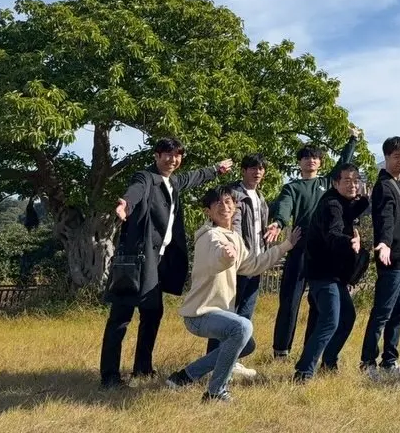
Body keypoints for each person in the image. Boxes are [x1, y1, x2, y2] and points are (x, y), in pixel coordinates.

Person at [99, 138, 232, 389]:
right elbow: (135, 191)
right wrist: (125, 204)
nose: (173, 160)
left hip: (157, 263)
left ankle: (143, 368)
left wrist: (216, 169)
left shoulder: (173, 182)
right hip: (136, 261)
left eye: (177, 155)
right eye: (167, 155)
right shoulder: (145, 177)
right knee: (121, 316)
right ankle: (109, 376)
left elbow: (194, 176)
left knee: (152, 313)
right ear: (157, 156)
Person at [166, 187, 301, 403]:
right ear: (207, 212)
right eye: (217, 203)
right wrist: (225, 257)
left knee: (246, 344)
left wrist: (285, 245)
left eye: (228, 202)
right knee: (242, 327)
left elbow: (253, 265)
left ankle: (184, 376)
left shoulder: (234, 238)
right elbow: (216, 258)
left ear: (236, 207)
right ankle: (215, 392)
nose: (224, 206)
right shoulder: (209, 236)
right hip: (199, 314)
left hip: (217, 313)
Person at [270, 127, 360, 359]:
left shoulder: (327, 183)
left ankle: (311, 347)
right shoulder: (292, 187)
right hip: (300, 248)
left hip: (324, 252)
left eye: (315, 158)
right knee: (290, 300)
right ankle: (281, 350)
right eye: (306, 157)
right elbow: (284, 206)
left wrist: (352, 140)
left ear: (320, 163)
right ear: (299, 163)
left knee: (319, 304)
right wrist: (279, 223)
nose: (311, 161)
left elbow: (344, 162)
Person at [203, 153, 282, 378]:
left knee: (245, 314)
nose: (257, 172)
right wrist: (237, 250)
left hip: (255, 262)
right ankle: (213, 362)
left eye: (260, 169)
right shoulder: (233, 195)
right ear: (243, 171)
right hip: (238, 263)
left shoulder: (260, 197)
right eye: (252, 168)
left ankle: (232, 360)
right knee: (226, 314)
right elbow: (233, 225)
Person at [294, 162, 371, 381]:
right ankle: (304, 371)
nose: (353, 185)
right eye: (347, 180)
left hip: (332, 275)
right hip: (323, 274)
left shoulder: (339, 202)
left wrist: (365, 201)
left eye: (356, 180)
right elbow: (333, 233)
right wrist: (352, 243)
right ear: (336, 182)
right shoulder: (332, 206)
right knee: (330, 320)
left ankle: (328, 362)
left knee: (346, 317)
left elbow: (348, 213)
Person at [360, 135, 400, 379]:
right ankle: (367, 363)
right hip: (392, 258)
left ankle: (390, 361)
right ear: (386, 158)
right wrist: (383, 244)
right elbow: (385, 217)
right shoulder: (384, 187)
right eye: (396, 157)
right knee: (383, 312)